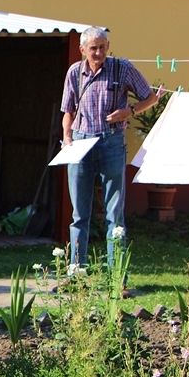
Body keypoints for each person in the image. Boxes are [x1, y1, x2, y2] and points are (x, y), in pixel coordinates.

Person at [61, 26, 158, 270]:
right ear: (82, 49)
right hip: (80, 142)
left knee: (115, 214)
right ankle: (77, 273)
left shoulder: (122, 68)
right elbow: (68, 110)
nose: (98, 53)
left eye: (102, 47)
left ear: (108, 47)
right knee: (79, 214)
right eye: (93, 48)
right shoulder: (74, 72)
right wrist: (67, 137)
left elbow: (151, 97)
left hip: (111, 141)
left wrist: (129, 111)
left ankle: (116, 276)